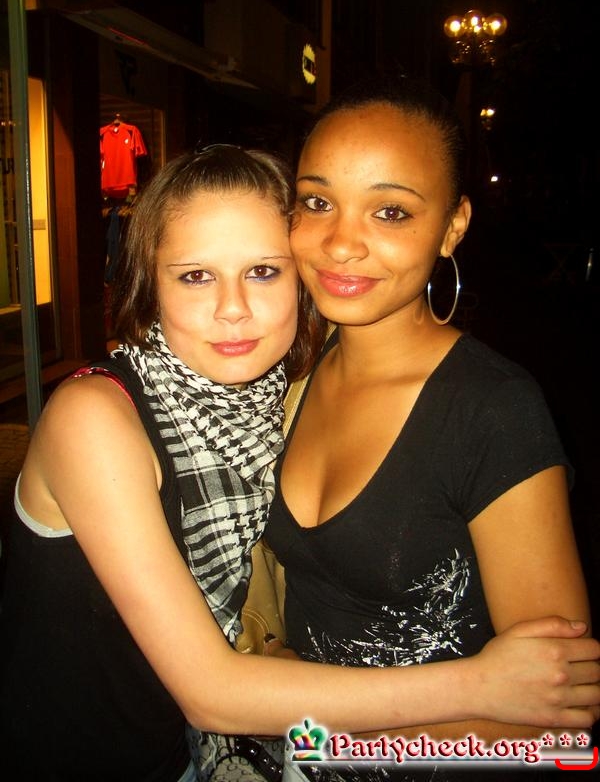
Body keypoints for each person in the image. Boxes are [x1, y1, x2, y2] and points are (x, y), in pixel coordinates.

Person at [0, 145, 598, 782]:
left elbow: (558, 734)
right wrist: (481, 684)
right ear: (151, 286)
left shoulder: (276, 399)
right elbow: (212, 692)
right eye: (195, 276)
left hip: (186, 755)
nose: (233, 308)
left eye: (263, 271)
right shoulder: (94, 417)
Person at [263, 76, 599, 780]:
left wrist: (304, 718)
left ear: (453, 226)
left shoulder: (492, 410)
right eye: (317, 202)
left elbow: (555, 724)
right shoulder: (289, 371)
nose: (340, 244)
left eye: (389, 212)